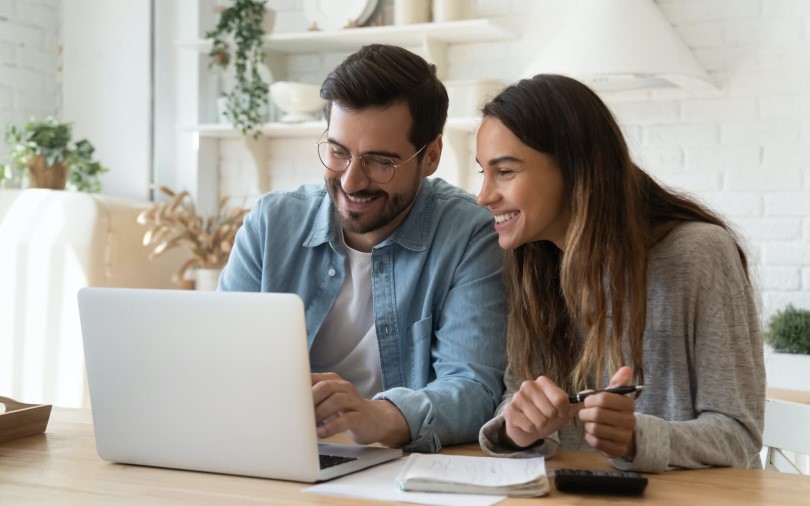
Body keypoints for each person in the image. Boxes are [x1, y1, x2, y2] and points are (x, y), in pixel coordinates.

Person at [219, 44, 507, 453]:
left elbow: (474, 388)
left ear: (431, 156)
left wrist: (380, 417)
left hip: (396, 468)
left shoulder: (469, 237)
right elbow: (220, 361)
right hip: (274, 454)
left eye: (379, 161)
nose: (351, 181)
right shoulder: (270, 224)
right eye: (338, 152)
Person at [475, 74, 765, 472]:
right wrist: (518, 428)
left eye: (504, 172)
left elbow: (739, 435)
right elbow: (517, 397)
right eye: (483, 173)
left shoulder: (699, 254)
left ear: (574, 169)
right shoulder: (535, 265)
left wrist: (636, 439)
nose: (484, 195)